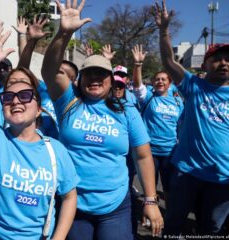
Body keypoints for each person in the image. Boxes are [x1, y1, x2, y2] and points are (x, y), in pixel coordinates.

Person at [41, 1, 163, 239]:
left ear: (111, 80)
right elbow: (49, 70)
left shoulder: (127, 110)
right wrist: (64, 33)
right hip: (72, 203)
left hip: (115, 205)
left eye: (101, 74)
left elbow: (142, 155)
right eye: (89, 73)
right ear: (79, 79)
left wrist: (150, 199)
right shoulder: (69, 102)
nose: (95, 78)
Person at [0, 20, 78, 240]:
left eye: (25, 96)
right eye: (8, 97)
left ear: (39, 108)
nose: (16, 101)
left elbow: (69, 196)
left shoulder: (56, 151)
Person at [153, 0, 229, 235]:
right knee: (174, 223)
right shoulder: (194, 86)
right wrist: (164, 31)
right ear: (204, 64)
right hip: (187, 172)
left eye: (228, 58)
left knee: (212, 229)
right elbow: (168, 61)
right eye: (217, 58)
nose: (224, 63)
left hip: (223, 178)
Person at [131, 44, 184, 207]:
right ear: (153, 82)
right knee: (150, 188)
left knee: (169, 188)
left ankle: (167, 216)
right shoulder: (149, 97)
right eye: (157, 79)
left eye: (164, 79)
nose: (160, 81)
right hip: (149, 151)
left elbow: (181, 126)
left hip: (170, 152)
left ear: (169, 83)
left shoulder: (177, 102)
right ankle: (149, 214)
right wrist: (138, 65)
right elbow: (137, 86)